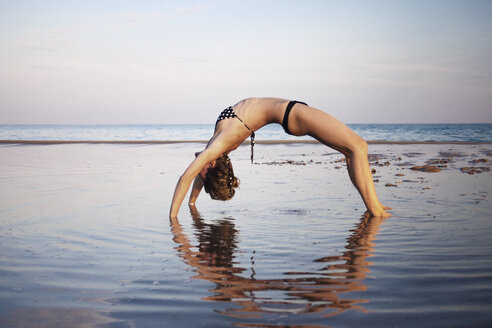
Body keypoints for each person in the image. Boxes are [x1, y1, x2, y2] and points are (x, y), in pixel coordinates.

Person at [170, 97, 391, 218]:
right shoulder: (219, 144)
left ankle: (375, 205)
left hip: (292, 115)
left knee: (350, 151)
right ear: (210, 165)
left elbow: (196, 175)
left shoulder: (216, 148)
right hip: (292, 114)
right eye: (202, 167)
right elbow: (187, 177)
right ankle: (375, 210)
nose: (196, 160)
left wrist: (191, 203)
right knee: (358, 146)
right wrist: (173, 219)